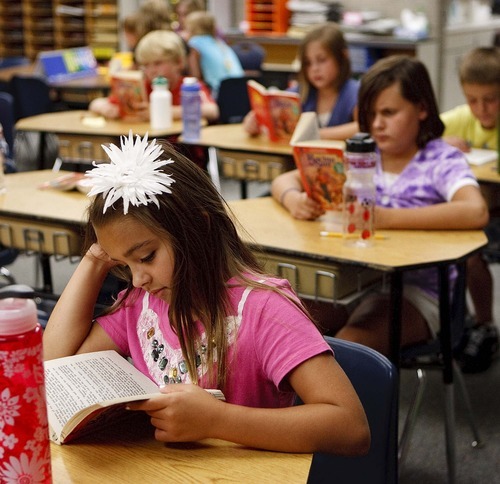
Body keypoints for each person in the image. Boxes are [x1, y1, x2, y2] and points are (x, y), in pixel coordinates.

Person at [42, 133, 370, 455]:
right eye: (123, 264)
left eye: (146, 257)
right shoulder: (142, 304)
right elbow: (55, 365)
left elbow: (350, 427)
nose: (138, 278)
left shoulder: (264, 309)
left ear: (199, 227)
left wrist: (217, 421)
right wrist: (95, 258)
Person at [332, 55, 489, 356]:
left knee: (349, 345)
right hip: (355, 282)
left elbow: (475, 210)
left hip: (418, 292)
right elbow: (289, 180)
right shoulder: (362, 155)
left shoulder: (440, 160)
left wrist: (388, 218)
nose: (377, 124)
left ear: (421, 109)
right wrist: (293, 197)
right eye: (371, 113)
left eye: (389, 112)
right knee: (288, 323)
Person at [440, 46, 500, 372]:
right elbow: (423, 132)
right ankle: (478, 324)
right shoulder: (464, 116)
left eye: (490, 99)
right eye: (472, 100)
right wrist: (439, 141)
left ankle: (484, 324)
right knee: (467, 251)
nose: (481, 109)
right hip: (479, 215)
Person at [243, 22, 359, 143]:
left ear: (343, 57)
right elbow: (274, 117)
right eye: (308, 63)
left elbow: (363, 127)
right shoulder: (298, 93)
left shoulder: (355, 92)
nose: (315, 69)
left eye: (322, 60)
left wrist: (317, 134)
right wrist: (255, 122)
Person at [89, 30, 219, 123]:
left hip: (184, 154)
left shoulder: (189, 86)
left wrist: (163, 111)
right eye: (145, 65)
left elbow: (212, 110)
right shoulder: (142, 86)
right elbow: (96, 103)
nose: (151, 71)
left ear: (179, 62)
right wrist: (106, 108)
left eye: (158, 63)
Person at [184, 10, 244, 99]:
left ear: (191, 28)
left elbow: (195, 77)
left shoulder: (194, 43)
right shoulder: (220, 43)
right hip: (240, 89)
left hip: (219, 93)